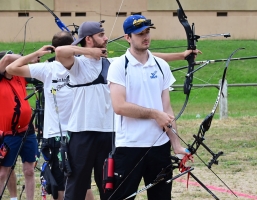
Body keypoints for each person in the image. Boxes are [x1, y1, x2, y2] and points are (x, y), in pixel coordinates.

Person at [55, 20, 199, 200]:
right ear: (89, 39)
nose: (106, 38)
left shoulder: (110, 62)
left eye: (147, 32)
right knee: (78, 184)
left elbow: (150, 57)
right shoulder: (80, 64)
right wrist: (88, 51)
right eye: (101, 35)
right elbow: (60, 51)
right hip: (85, 133)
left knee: (107, 187)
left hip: (108, 131)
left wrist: (182, 55)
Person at [107, 15, 194, 199]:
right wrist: (155, 114)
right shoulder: (118, 66)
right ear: (128, 38)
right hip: (129, 147)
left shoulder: (161, 66)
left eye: (147, 32)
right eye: (139, 34)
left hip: (159, 147)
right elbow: (119, 106)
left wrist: (176, 144)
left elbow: (167, 109)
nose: (145, 37)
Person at [6, 31, 95, 200]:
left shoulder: (81, 65)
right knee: (69, 183)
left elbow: (12, 67)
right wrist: (38, 54)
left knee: (77, 183)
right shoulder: (48, 68)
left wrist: (36, 54)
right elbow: (10, 69)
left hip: (75, 133)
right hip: (60, 135)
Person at [0, 51, 39, 200]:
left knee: (29, 170)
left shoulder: (20, 77)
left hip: (27, 131)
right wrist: (32, 57)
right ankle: (13, 198)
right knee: (4, 172)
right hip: (8, 134)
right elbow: (8, 58)